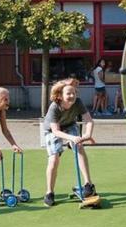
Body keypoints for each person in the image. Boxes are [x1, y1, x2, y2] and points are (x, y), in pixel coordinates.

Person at [41, 78, 96, 207]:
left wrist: (87, 134)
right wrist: (71, 138)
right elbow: (56, 131)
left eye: (74, 93)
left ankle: (88, 184)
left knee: (79, 147)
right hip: (52, 130)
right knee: (54, 159)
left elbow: (89, 120)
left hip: (70, 125)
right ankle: (49, 192)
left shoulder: (78, 102)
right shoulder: (54, 107)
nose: (72, 96)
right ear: (60, 96)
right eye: (68, 94)